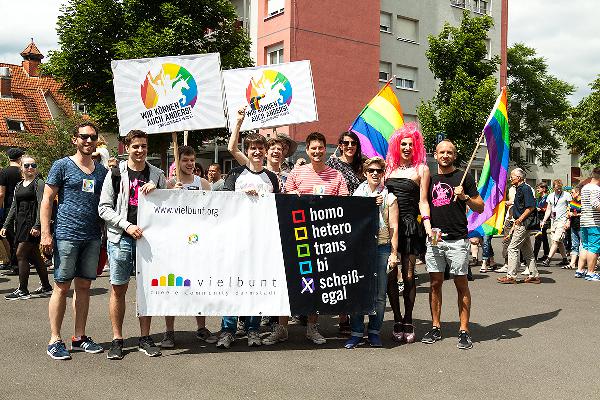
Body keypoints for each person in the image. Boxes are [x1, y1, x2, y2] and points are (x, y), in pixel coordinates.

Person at [41, 122, 108, 360]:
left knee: (84, 287)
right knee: (61, 286)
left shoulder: (101, 171)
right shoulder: (62, 165)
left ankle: (79, 336)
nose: (88, 141)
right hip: (66, 234)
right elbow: (47, 199)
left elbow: (107, 203)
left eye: (92, 137)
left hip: (91, 236)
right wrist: (46, 233)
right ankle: (55, 339)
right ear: (74, 139)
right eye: (84, 137)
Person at [276, 131, 348, 346]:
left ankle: (312, 328)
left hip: (323, 237)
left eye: (320, 148)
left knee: (314, 282)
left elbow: (345, 203)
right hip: (297, 235)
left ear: (325, 149)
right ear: (306, 150)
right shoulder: (296, 173)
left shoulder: (336, 175)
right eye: (313, 148)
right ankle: (282, 329)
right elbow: (286, 199)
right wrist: (294, 196)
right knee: (289, 280)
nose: (317, 152)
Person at [98, 130, 166, 359]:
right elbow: (104, 207)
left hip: (148, 242)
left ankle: (145, 338)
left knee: (146, 290)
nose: (140, 150)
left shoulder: (157, 174)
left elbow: (166, 208)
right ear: (127, 147)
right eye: (135, 146)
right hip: (121, 238)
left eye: (144, 146)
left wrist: (159, 191)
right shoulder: (115, 173)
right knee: (118, 288)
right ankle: (117, 339)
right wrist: (126, 225)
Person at [217, 131, 281, 349]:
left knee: (255, 285)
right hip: (236, 238)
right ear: (247, 151)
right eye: (252, 148)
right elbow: (223, 205)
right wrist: (242, 198)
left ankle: (253, 329)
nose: (256, 151)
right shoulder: (236, 174)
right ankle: (228, 330)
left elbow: (277, 208)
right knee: (232, 285)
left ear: (264, 152)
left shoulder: (271, 178)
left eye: (260, 148)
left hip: (262, 240)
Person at [420, 140, 483, 350]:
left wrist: (464, 197)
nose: (445, 155)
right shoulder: (430, 178)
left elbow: (480, 207)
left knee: (460, 284)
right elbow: (424, 203)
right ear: (435, 155)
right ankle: (435, 326)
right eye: (441, 152)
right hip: (435, 238)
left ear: (454, 156)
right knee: (435, 283)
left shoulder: (462, 177)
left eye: (449, 152)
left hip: (457, 239)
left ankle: (464, 330)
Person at [162, 146, 214, 348]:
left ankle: (201, 327)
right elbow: (160, 214)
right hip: (175, 244)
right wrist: (169, 194)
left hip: (198, 244)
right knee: (172, 287)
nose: (190, 164)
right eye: (186, 160)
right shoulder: (169, 184)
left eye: (192, 160)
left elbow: (213, 212)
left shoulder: (203, 184)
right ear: (178, 162)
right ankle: (169, 332)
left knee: (199, 286)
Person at [344, 157, 398, 348]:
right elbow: (350, 219)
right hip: (360, 247)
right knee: (357, 290)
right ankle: (357, 332)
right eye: (371, 171)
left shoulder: (390, 198)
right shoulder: (357, 195)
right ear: (365, 173)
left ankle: (374, 332)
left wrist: (393, 253)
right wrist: (367, 204)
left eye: (379, 171)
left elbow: (394, 227)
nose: (375, 174)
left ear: (383, 174)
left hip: (382, 247)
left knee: (379, 294)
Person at [384, 122, 430, 343]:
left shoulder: (422, 169)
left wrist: (428, 225)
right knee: (391, 275)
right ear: (397, 146)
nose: (406, 148)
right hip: (389, 227)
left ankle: (409, 318)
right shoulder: (387, 168)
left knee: (409, 275)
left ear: (416, 147)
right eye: (403, 144)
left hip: (410, 226)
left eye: (411, 144)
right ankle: (397, 319)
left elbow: (423, 202)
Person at [1, 155, 52, 299]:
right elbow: (13, 206)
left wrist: (37, 225)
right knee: (35, 257)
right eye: (27, 165)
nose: (30, 168)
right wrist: (6, 224)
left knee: (20, 254)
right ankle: (46, 287)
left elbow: (42, 204)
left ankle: (23, 290)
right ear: (21, 168)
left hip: (32, 224)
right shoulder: (18, 185)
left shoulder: (39, 183)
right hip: (21, 224)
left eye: (33, 165)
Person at [497, 168, 540, 284]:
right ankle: (534, 275)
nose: (510, 178)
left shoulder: (525, 189)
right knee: (527, 250)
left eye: (512, 176)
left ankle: (511, 276)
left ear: (519, 178)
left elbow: (531, 207)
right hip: (521, 223)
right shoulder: (519, 189)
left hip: (523, 223)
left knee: (512, 248)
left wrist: (520, 219)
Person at [0, 147, 24, 275]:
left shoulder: (4, 172)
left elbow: (1, 194)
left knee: (11, 237)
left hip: (10, 207)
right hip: (24, 207)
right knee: (20, 237)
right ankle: (21, 262)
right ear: (20, 158)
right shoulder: (23, 171)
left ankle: (15, 266)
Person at [576, 167, 600, 281]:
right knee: (594, 247)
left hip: (584, 220)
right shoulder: (596, 189)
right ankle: (591, 272)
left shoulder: (585, 187)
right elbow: (595, 204)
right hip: (594, 222)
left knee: (585, 246)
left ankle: (580, 270)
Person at [540, 179, 571, 267]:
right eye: (557, 188)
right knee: (558, 241)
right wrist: (544, 220)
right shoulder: (550, 196)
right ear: (553, 188)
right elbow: (549, 209)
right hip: (554, 220)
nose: (559, 190)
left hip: (563, 220)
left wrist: (568, 221)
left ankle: (548, 259)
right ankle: (565, 259)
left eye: (560, 188)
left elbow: (570, 209)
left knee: (556, 240)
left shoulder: (567, 195)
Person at [565, 185, 582, 270]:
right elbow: (568, 210)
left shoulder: (583, 201)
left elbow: (586, 213)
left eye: (572, 192)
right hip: (573, 226)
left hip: (581, 226)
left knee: (583, 245)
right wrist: (568, 216)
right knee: (575, 245)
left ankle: (583, 264)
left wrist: (576, 214)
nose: (571, 194)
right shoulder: (572, 202)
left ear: (578, 192)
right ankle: (572, 264)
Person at [533, 182, 550, 261]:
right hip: (538, 219)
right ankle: (546, 254)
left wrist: (541, 209)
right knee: (544, 237)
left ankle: (534, 255)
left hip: (544, 220)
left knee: (538, 237)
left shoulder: (547, 198)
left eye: (539, 188)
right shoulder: (539, 198)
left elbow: (549, 208)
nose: (537, 189)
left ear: (543, 189)